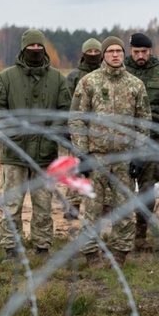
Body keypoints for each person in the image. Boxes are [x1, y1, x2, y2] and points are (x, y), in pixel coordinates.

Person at [0, 29, 72, 263]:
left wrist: (51, 133)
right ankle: (11, 250)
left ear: (44, 48)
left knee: (43, 204)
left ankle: (42, 248)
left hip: (45, 155)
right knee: (12, 204)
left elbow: (64, 110)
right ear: (23, 48)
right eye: (31, 47)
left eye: (39, 47)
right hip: (14, 153)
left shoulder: (57, 79)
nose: (35, 51)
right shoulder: (6, 77)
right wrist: (11, 132)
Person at [69, 36, 151, 267]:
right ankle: (91, 253)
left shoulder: (135, 84)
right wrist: (82, 154)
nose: (115, 55)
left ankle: (120, 253)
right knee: (92, 208)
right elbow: (76, 119)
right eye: (110, 51)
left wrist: (139, 153)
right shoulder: (89, 82)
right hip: (97, 157)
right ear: (103, 55)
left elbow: (144, 120)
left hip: (125, 158)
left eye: (119, 51)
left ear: (124, 54)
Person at [124, 32, 159, 251]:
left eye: (144, 52)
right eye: (136, 52)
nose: (140, 56)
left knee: (147, 188)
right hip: (123, 138)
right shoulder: (120, 72)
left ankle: (140, 235)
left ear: (150, 51)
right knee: (121, 187)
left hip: (153, 140)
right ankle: (122, 235)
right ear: (130, 51)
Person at [64, 38, 103, 220]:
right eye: (90, 52)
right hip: (78, 129)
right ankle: (73, 205)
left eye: (97, 52)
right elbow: (66, 102)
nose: (93, 55)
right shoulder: (73, 77)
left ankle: (105, 204)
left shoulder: (105, 75)